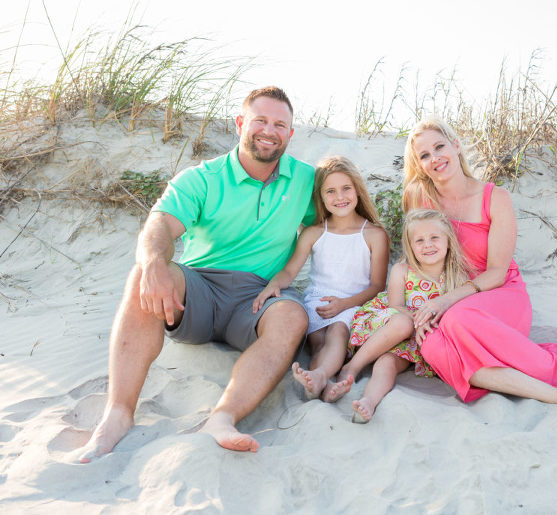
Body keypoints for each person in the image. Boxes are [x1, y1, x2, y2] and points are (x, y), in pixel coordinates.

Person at [77, 86, 315, 462]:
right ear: (240, 123)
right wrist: (154, 262)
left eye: (280, 124)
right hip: (199, 289)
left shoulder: (305, 181)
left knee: (293, 316)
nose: (269, 131)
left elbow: (347, 222)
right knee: (143, 274)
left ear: (289, 133)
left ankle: (222, 418)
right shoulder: (202, 178)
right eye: (260, 120)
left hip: (257, 300)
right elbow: (158, 226)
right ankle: (118, 414)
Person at [401, 116, 557, 421]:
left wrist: (445, 301)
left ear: (456, 146)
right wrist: (421, 310)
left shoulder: (494, 198)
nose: (435, 158)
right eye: (424, 155)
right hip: (450, 301)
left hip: (499, 294)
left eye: (439, 147)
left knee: (457, 320)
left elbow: (497, 272)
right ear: (419, 164)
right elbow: (415, 257)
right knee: (431, 346)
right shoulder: (419, 197)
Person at [252, 156, 389, 402]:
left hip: (355, 303)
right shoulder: (314, 232)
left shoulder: (374, 234)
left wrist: (344, 304)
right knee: (317, 341)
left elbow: (378, 286)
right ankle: (321, 384)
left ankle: (320, 375)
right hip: (318, 299)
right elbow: (290, 271)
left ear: (357, 189)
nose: (340, 197)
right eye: (331, 191)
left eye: (346, 188)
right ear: (322, 197)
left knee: (337, 332)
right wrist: (274, 284)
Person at [330, 209, 471, 423]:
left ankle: (368, 401)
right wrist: (419, 320)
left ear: (448, 241)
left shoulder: (456, 278)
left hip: (413, 342)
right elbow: (396, 306)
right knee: (404, 323)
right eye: (420, 240)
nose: (428, 245)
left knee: (387, 364)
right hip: (390, 323)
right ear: (411, 245)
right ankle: (352, 367)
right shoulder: (402, 270)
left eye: (434, 238)